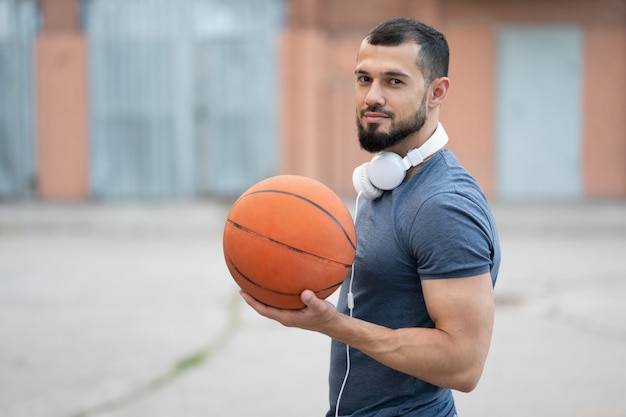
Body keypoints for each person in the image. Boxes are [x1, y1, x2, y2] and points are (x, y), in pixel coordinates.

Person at [241, 17, 501, 417]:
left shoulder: (443, 205)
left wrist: (332, 324)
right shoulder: (385, 180)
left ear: (436, 92)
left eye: (394, 82)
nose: (371, 97)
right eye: (364, 79)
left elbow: (464, 363)